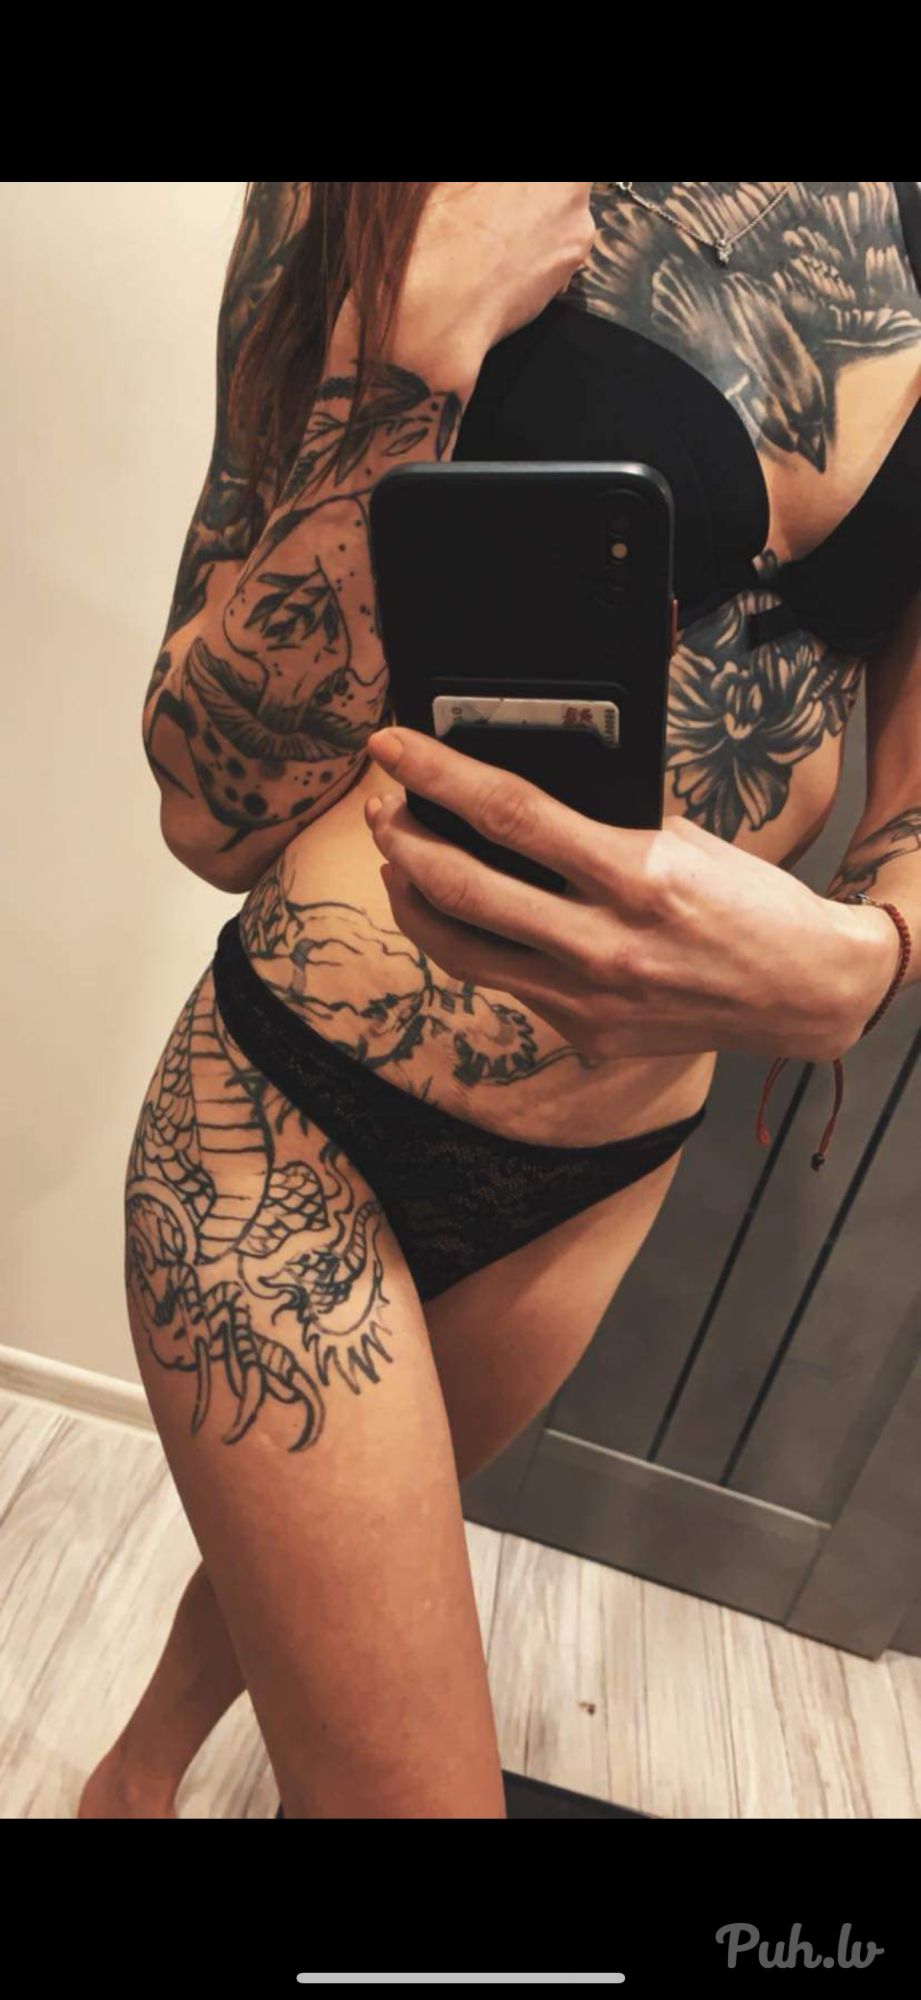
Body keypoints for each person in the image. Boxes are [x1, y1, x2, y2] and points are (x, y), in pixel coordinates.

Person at [79, 182, 920, 1821]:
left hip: (610, 1159)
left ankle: (132, 1780)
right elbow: (206, 803)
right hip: (299, 1118)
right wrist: (399, 369)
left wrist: (873, 956)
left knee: (309, 1588)